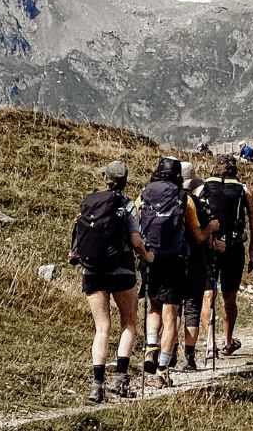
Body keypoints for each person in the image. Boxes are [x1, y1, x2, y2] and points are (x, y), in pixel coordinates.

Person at [71, 160, 154, 404]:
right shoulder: (126, 204)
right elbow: (136, 240)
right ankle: (120, 379)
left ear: (104, 178)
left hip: (92, 270)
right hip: (121, 270)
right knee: (129, 323)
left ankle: (97, 385)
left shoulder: (88, 201)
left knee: (102, 328)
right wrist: (147, 257)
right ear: (124, 181)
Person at [138, 157, 203, 386]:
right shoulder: (184, 198)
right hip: (175, 261)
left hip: (150, 259)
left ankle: (150, 348)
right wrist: (210, 230)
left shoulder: (144, 193)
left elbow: (136, 224)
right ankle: (163, 371)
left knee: (154, 307)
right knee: (171, 315)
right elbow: (196, 234)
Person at [199, 156, 253, 356]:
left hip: (209, 247)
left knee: (208, 294)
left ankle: (209, 344)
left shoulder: (203, 188)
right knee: (229, 296)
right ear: (234, 169)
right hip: (233, 248)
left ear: (215, 169)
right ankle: (228, 341)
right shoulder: (243, 189)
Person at [178, 166, 220, 371]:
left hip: (168, 261)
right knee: (191, 308)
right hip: (194, 261)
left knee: (170, 309)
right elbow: (203, 239)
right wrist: (211, 228)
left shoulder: (153, 197)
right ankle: (189, 357)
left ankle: (164, 355)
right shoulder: (194, 203)